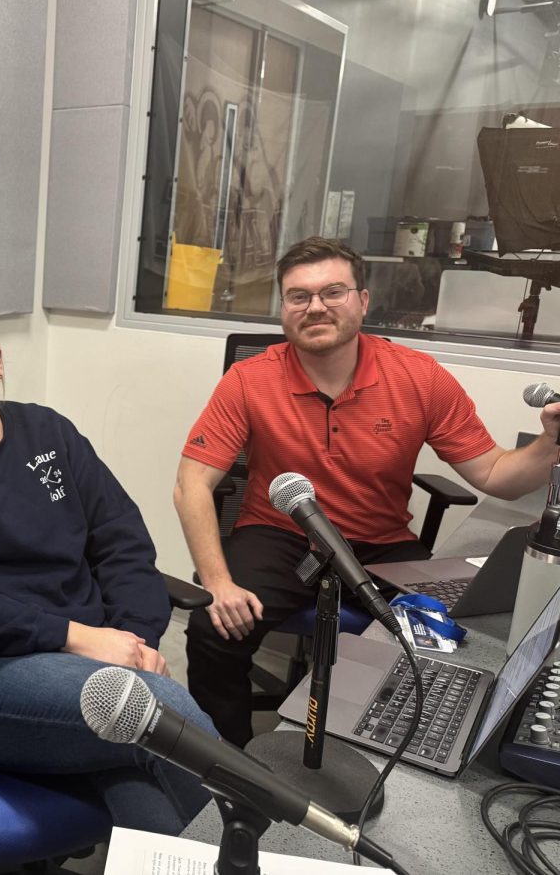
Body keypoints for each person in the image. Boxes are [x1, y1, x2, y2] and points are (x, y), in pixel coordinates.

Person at [176, 236, 560, 747]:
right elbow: (192, 484)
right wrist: (219, 582)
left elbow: (495, 475)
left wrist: (550, 441)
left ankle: (383, 751)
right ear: (284, 307)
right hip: (282, 535)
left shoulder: (420, 379)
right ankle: (228, 763)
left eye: (333, 292)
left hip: (380, 541)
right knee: (213, 630)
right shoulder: (249, 380)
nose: (315, 307)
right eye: (298, 296)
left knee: (444, 636)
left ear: (363, 300)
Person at [0, 296, 214, 835]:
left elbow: (121, 541)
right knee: (159, 713)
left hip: (99, 658)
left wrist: (133, 640)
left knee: (139, 765)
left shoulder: (49, 433)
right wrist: (74, 637)